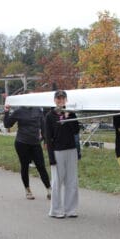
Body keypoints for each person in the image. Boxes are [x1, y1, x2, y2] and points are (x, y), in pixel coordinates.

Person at [3, 104, 51, 200]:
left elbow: (43, 126)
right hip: (22, 143)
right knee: (25, 166)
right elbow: (7, 124)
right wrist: (6, 111)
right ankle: (27, 190)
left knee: (41, 166)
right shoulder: (19, 111)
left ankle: (49, 189)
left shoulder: (38, 110)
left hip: (35, 143)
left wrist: (46, 140)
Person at [45, 90, 80, 218]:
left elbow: (76, 130)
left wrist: (68, 117)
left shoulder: (71, 113)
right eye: (58, 99)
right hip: (57, 151)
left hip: (71, 149)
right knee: (56, 182)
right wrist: (51, 158)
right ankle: (56, 210)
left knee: (72, 181)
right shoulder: (50, 116)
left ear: (66, 100)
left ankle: (71, 209)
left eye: (63, 99)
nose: (60, 101)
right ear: (55, 100)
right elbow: (48, 138)